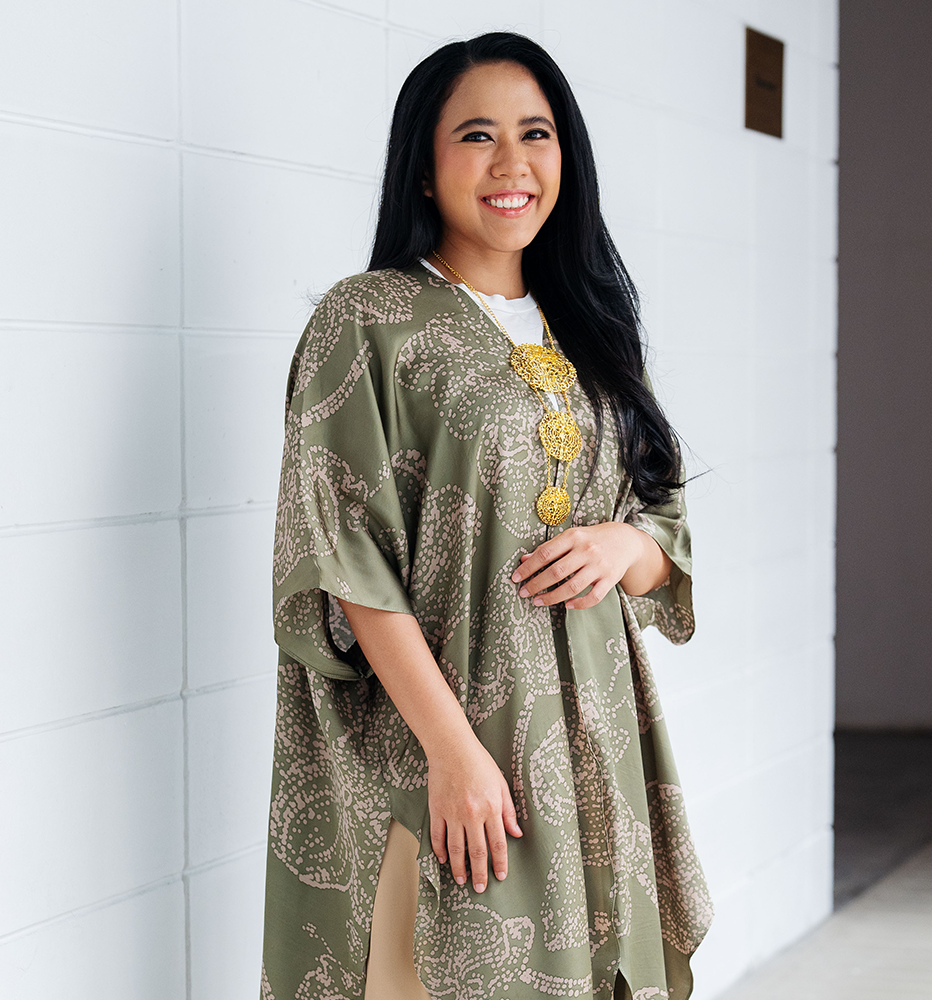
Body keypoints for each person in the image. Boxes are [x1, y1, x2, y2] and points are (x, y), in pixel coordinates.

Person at [260, 31, 712, 1000]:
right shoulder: (367, 320)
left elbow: (660, 515)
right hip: (444, 751)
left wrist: (627, 544)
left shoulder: (585, 324)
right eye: (476, 135)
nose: (511, 164)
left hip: (589, 748)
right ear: (424, 168)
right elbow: (345, 561)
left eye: (535, 133)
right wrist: (453, 752)